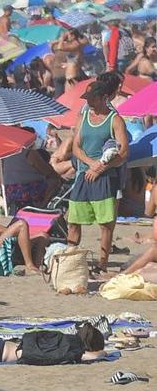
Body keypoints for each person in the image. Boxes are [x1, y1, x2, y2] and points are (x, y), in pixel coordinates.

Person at [58, 69, 130, 274]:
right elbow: (76, 147)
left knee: (105, 223)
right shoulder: (84, 115)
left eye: (91, 98)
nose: (88, 101)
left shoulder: (115, 119)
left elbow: (123, 152)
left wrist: (101, 167)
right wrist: (92, 164)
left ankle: (102, 264)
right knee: (74, 220)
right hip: (84, 174)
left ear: (103, 97)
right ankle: (70, 260)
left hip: (106, 176)